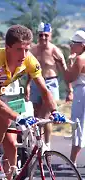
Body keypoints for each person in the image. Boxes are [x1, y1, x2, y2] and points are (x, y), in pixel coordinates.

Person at [0, 24, 67, 180]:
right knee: (5, 120)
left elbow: (45, 91)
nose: (24, 54)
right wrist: (19, 118)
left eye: (27, 49)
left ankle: (10, 176)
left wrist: (55, 111)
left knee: (11, 141)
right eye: (19, 49)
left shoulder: (29, 60)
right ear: (7, 48)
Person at [25, 22, 73, 150]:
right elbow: (31, 69)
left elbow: (64, 71)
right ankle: (38, 144)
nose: (43, 38)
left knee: (45, 116)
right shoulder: (33, 50)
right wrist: (27, 86)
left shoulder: (54, 50)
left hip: (51, 83)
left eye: (46, 35)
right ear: (37, 36)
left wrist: (70, 89)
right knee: (36, 115)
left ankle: (47, 144)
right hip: (36, 83)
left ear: (50, 35)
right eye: (41, 35)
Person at [59, 30, 85, 167]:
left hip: (81, 92)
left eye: (74, 43)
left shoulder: (80, 59)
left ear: (81, 45)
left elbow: (69, 77)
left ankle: (72, 161)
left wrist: (67, 63)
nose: (71, 46)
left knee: (78, 125)